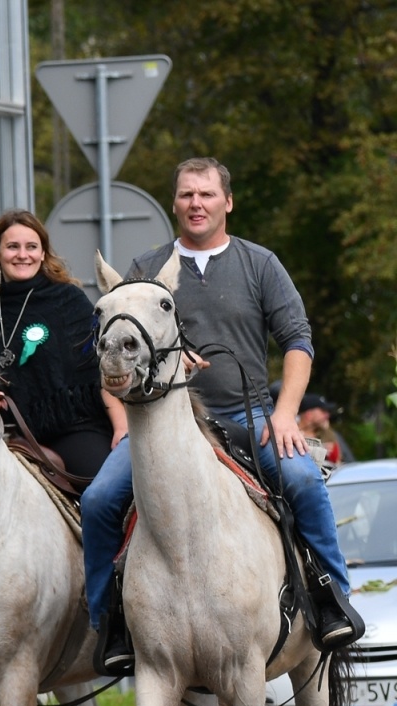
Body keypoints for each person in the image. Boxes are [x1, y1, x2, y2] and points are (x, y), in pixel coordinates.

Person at [84, 157, 361, 673]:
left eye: (207, 194)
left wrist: (285, 415)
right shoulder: (146, 270)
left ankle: (331, 600)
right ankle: (109, 623)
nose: (196, 204)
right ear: (174, 202)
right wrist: (128, 412)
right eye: (187, 194)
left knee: (302, 480)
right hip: (166, 420)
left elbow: (298, 342)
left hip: (248, 413)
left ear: (227, 202)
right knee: (99, 500)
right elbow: (109, 352)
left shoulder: (260, 263)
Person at [0, 210, 126, 480]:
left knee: (104, 494)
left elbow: (100, 370)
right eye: (12, 247)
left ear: (43, 254)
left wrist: (121, 428)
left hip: (72, 428)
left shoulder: (69, 300)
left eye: (32, 247)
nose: (22, 255)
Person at [297, 392, 352, 468]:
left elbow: (339, 461)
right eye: (323, 411)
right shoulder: (292, 433)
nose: (327, 415)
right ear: (308, 414)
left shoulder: (327, 433)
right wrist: (319, 450)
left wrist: (327, 431)